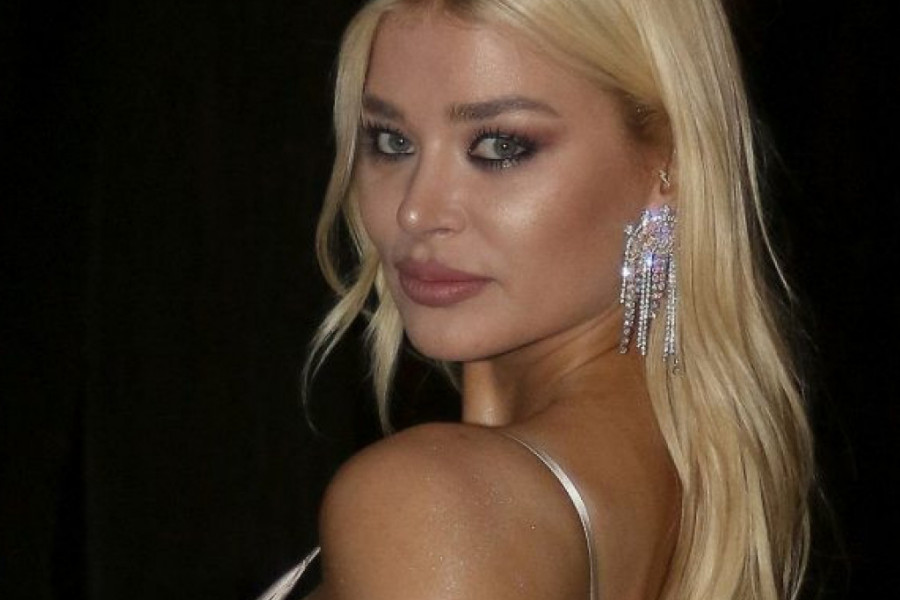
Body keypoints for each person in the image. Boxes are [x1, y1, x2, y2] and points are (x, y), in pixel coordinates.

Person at [259, 0, 814, 598]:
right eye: (392, 142)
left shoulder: (435, 505)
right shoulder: (694, 484)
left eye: (499, 147)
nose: (415, 211)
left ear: (668, 166)